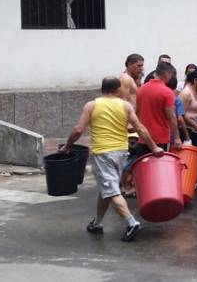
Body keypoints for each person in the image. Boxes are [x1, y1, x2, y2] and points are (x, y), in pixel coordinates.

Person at [60, 76, 162, 242]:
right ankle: (97, 223)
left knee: (112, 190)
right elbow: (139, 128)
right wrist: (154, 147)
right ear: (117, 90)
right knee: (107, 188)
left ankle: (131, 222)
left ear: (102, 89)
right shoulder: (125, 105)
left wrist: (67, 145)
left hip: (103, 153)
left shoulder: (92, 105)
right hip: (121, 152)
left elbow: (79, 129)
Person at [135, 61, 182, 156]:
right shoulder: (167, 92)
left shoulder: (141, 89)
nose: (171, 78)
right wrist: (177, 137)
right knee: (159, 168)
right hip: (161, 138)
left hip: (143, 138)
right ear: (167, 74)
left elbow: (137, 112)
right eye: (171, 75)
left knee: (143, 167)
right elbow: (171, 116)